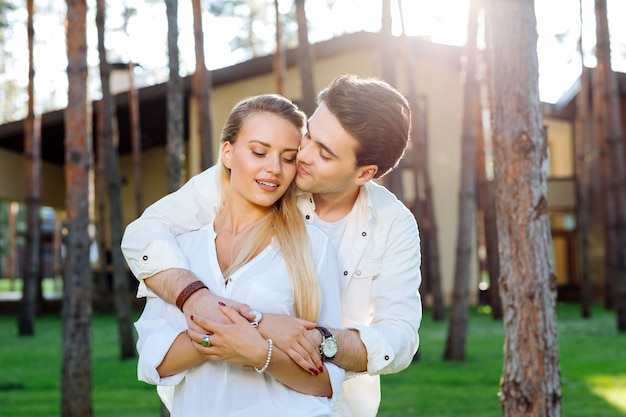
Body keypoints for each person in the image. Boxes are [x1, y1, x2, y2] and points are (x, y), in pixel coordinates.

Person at [123, 74, 422, 417]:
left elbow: (399, 335)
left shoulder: (392, 224)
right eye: (309, 135)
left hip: (336, 406)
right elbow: (144, 233)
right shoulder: (261, 176)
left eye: (323, 153)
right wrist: (199, 300)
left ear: (363, 174)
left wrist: (317, 340)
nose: (302, 155)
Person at [133, 94, 344, 416]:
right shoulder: (181, 249)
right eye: (259, 152)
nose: (273, 169)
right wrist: (257, 327)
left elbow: (328, 381)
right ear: (228, 153)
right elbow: (154, 361)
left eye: (288, 158)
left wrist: (260, 353)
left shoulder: (313, 246)